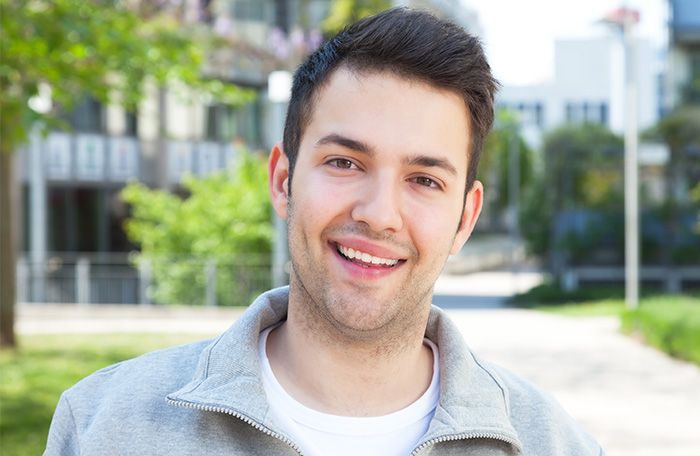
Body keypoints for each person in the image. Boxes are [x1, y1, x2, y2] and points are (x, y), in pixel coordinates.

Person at [45, 8, 603, 456]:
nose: (379, 214)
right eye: (345, 163)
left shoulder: (555, 444)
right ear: (283, 180)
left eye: (424, 180)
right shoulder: (102, 427)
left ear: (465, 218)